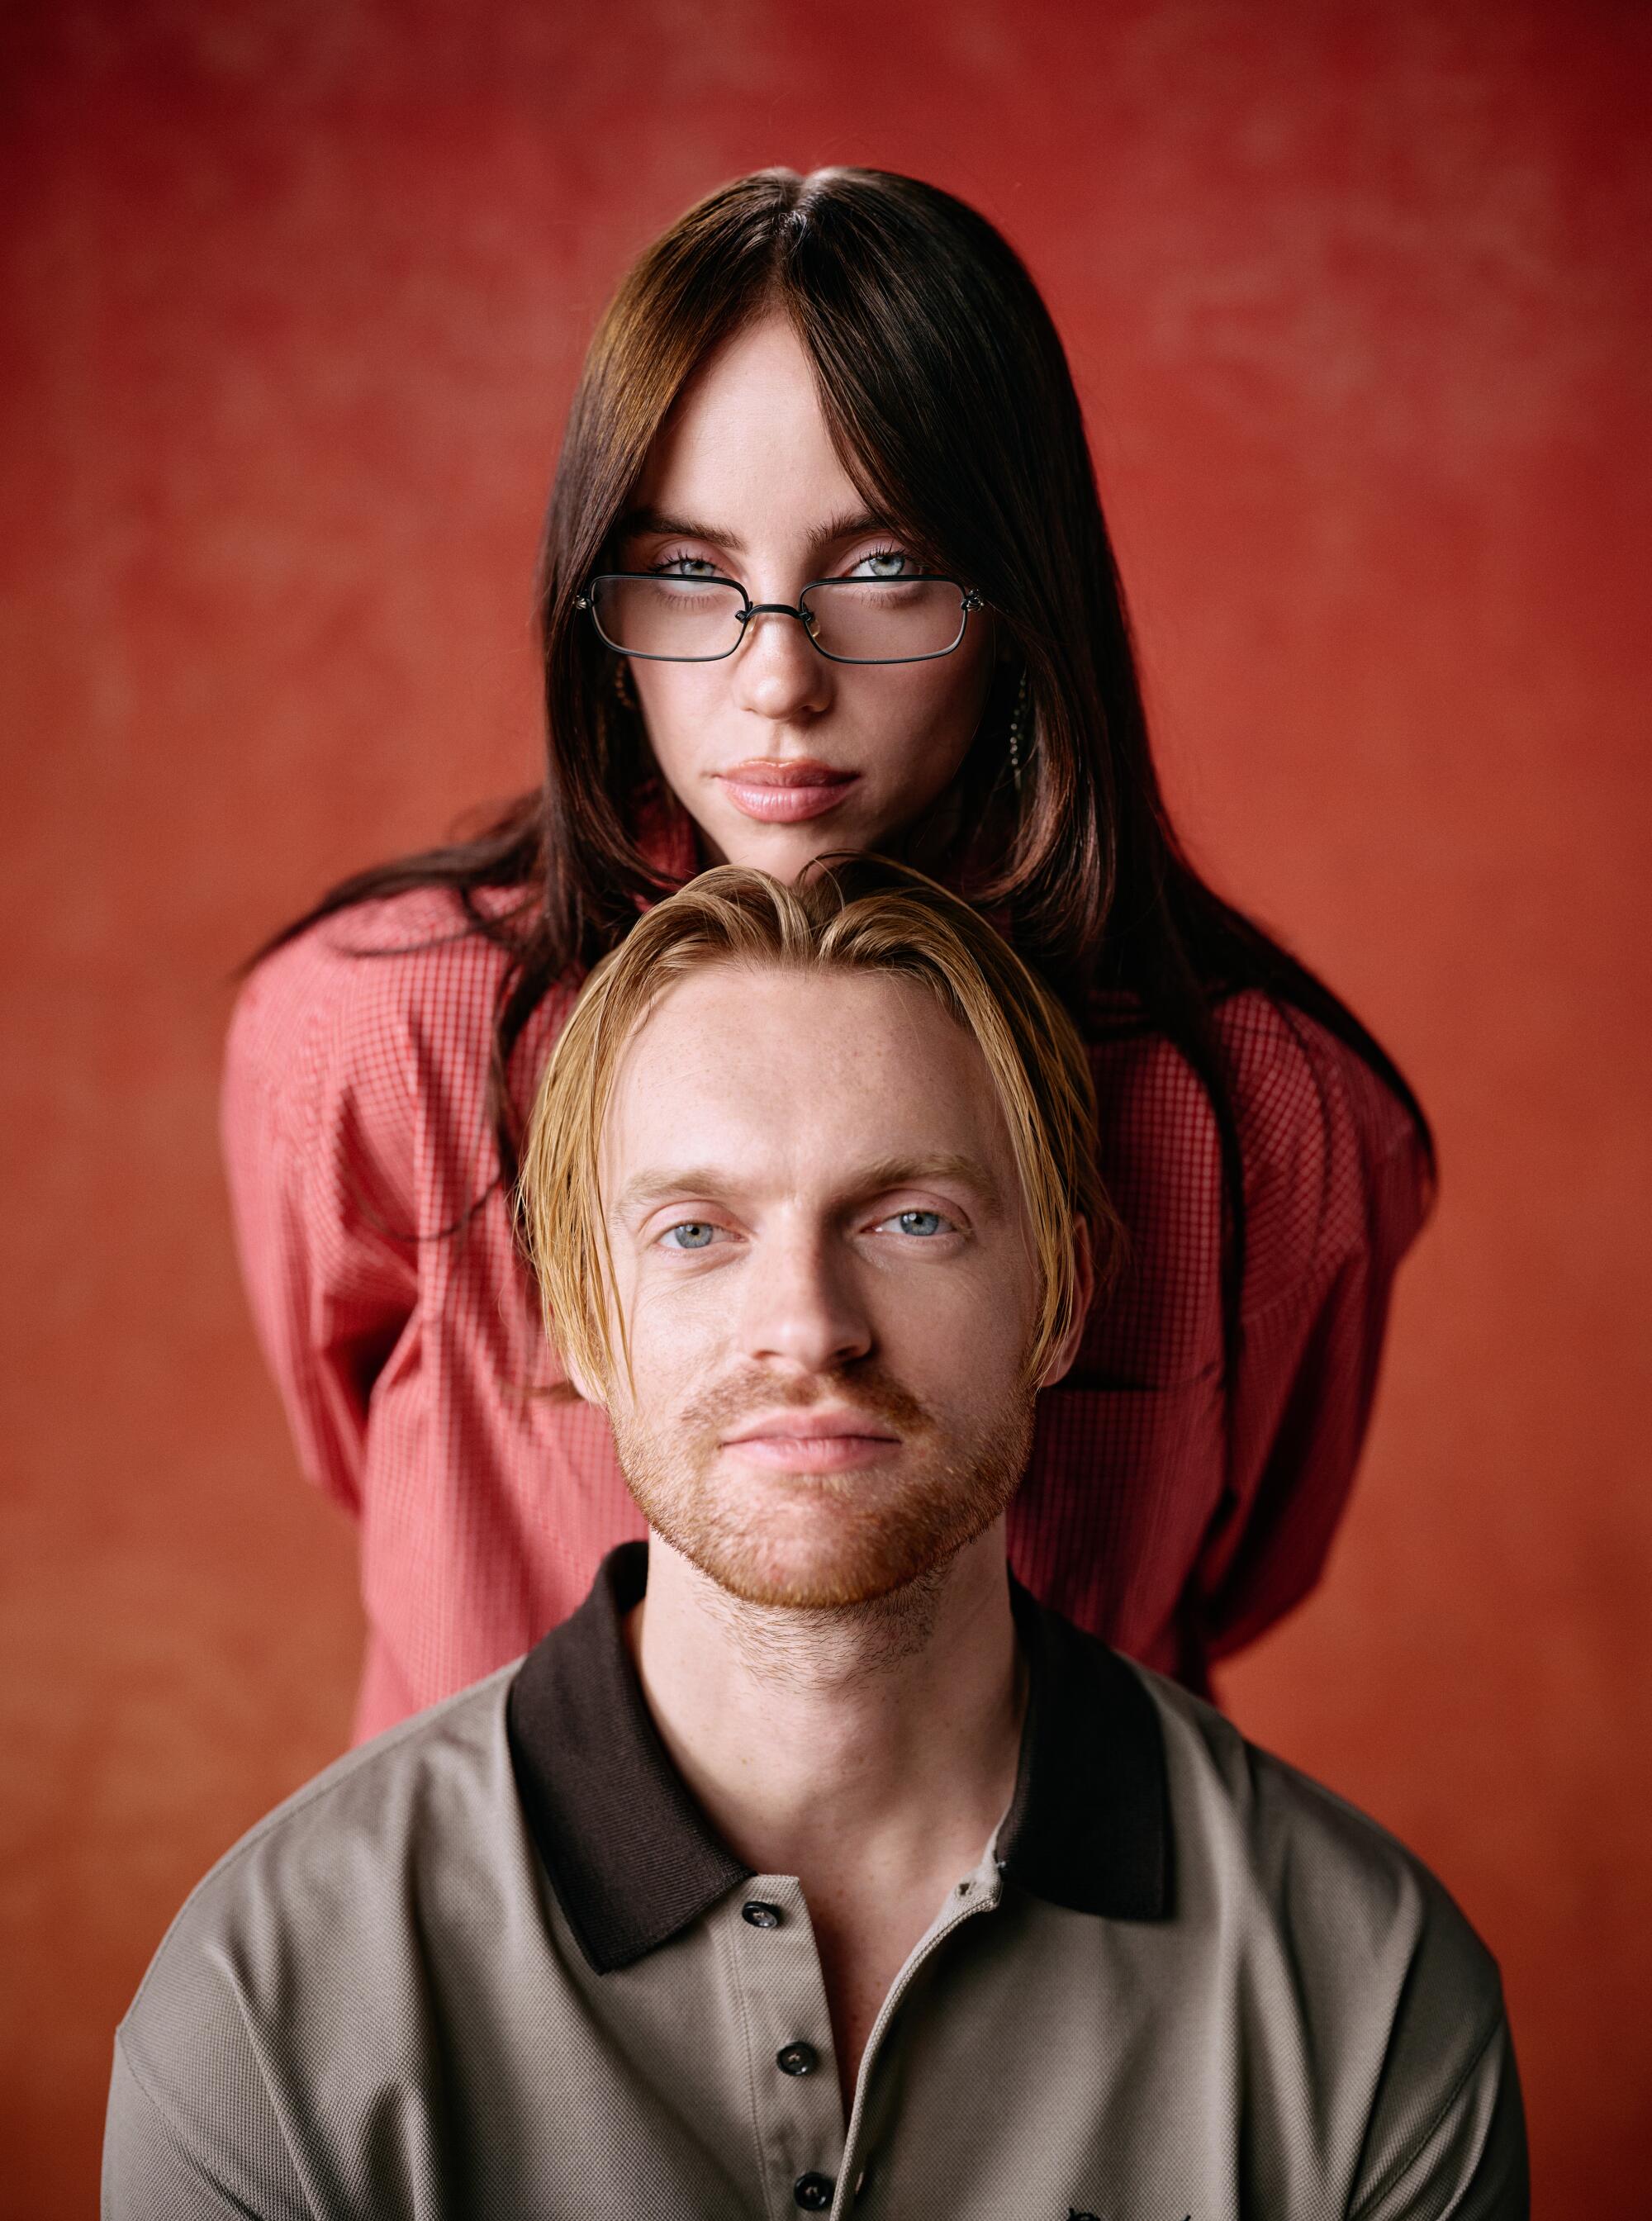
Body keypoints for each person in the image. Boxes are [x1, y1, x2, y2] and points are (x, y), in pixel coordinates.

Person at [112, 861, 1522, 2218]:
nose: (808, 1322)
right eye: (696, 1232)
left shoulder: (1368, 1986)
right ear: (585, 1320)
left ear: (1063, 1294)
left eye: (913, 1217)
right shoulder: (271, 2003)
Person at [224, 165, 1435, 1743]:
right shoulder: (374, 1031)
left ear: (1018, 597)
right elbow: (352, 1444)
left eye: (877, 568)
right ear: (595, 595)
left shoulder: (1267, 1114)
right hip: (488, 1929)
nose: (778, 679)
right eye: (686, 572)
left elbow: (1241, 1562)